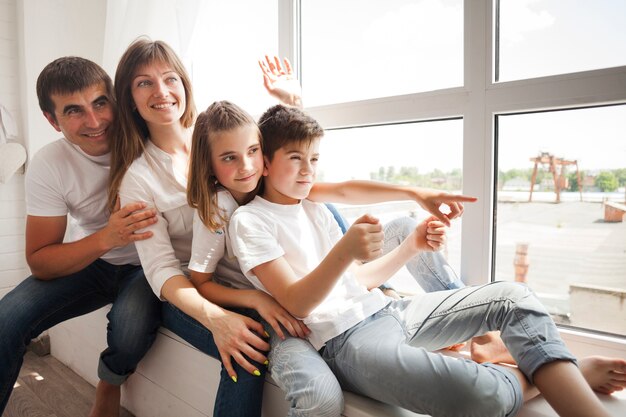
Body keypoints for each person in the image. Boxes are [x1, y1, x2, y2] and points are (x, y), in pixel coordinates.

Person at [107, 38, 479, 416]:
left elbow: (321, 177)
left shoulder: (235, 139)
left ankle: (474, 333)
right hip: (242, 288)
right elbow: (171, 272)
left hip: (301, 273)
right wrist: (239, 308)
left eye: (170, 78)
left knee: (395, 223)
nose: (246, 166)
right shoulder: (188, 193)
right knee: (248, 351)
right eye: (144, 83)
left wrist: (413, 191)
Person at [229, 104, 624, 417]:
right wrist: (344, 249)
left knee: (514, 298)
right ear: (265, 162)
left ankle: (568, 388)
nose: (308, 171)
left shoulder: (313, 206)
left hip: (388, 311)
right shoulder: (250, 220)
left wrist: (411, 246)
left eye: (314, 160)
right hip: (342, 340)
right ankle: (559, 373)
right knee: (482, 396)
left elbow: (359, 281)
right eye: (296, 158)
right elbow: (297, 302)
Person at [187, 100, 475, 415]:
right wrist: (255, 299)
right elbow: (200, 281)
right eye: (230, 158)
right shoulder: (219, 208)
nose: (247, 166)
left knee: (405, 227)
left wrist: (414, 193)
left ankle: (467, 322)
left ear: (263, 154)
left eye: (253, 151)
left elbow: (343, 190)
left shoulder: (283, 185)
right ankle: (387, 292)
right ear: (210, 164)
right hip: (276, 293)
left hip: (328, 274)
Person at [0, 57, 162, 417]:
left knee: (129, 326)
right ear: (51, 120)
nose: (94, 121)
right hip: (94, 260)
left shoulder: (151, 136)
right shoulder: (49, 163)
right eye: (74, 111)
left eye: (101, 103)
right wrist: (107, 238)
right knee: (5, 320)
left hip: (151, 265)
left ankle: (108, 387)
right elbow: (40, 260)